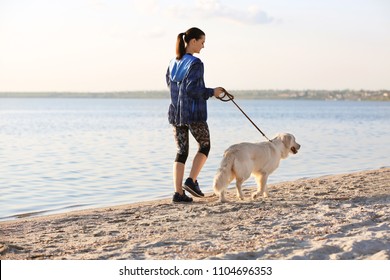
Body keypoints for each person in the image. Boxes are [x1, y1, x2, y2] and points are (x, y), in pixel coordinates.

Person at [166, 27, 224, 203]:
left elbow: (170, 85)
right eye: (202, 42)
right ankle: (191, 181)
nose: (203, 46)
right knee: (205, 145)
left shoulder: (172, 63)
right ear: (193, 42)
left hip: (176, 114)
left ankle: (178, 194)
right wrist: (212, 92)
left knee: (181, 152)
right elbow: (192, 89)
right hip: (194, 114)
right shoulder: (196, 63)